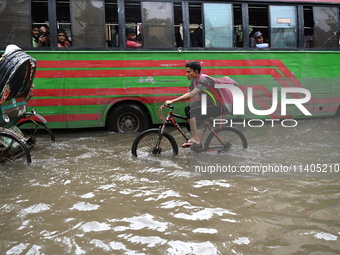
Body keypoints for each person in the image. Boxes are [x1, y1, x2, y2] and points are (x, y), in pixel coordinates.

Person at [164, 61, 221, 148]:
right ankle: (197, 145)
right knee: (188, 123)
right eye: (186, 72)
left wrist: (172, 101)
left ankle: (195, 139)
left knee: (189, 109)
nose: (186, 74)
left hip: (214, 106)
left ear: (196, 72)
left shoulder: (205, 80)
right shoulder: (194, 81)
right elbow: (188, 94)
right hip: (206, 105)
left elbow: (191, 95)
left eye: (188, 72)